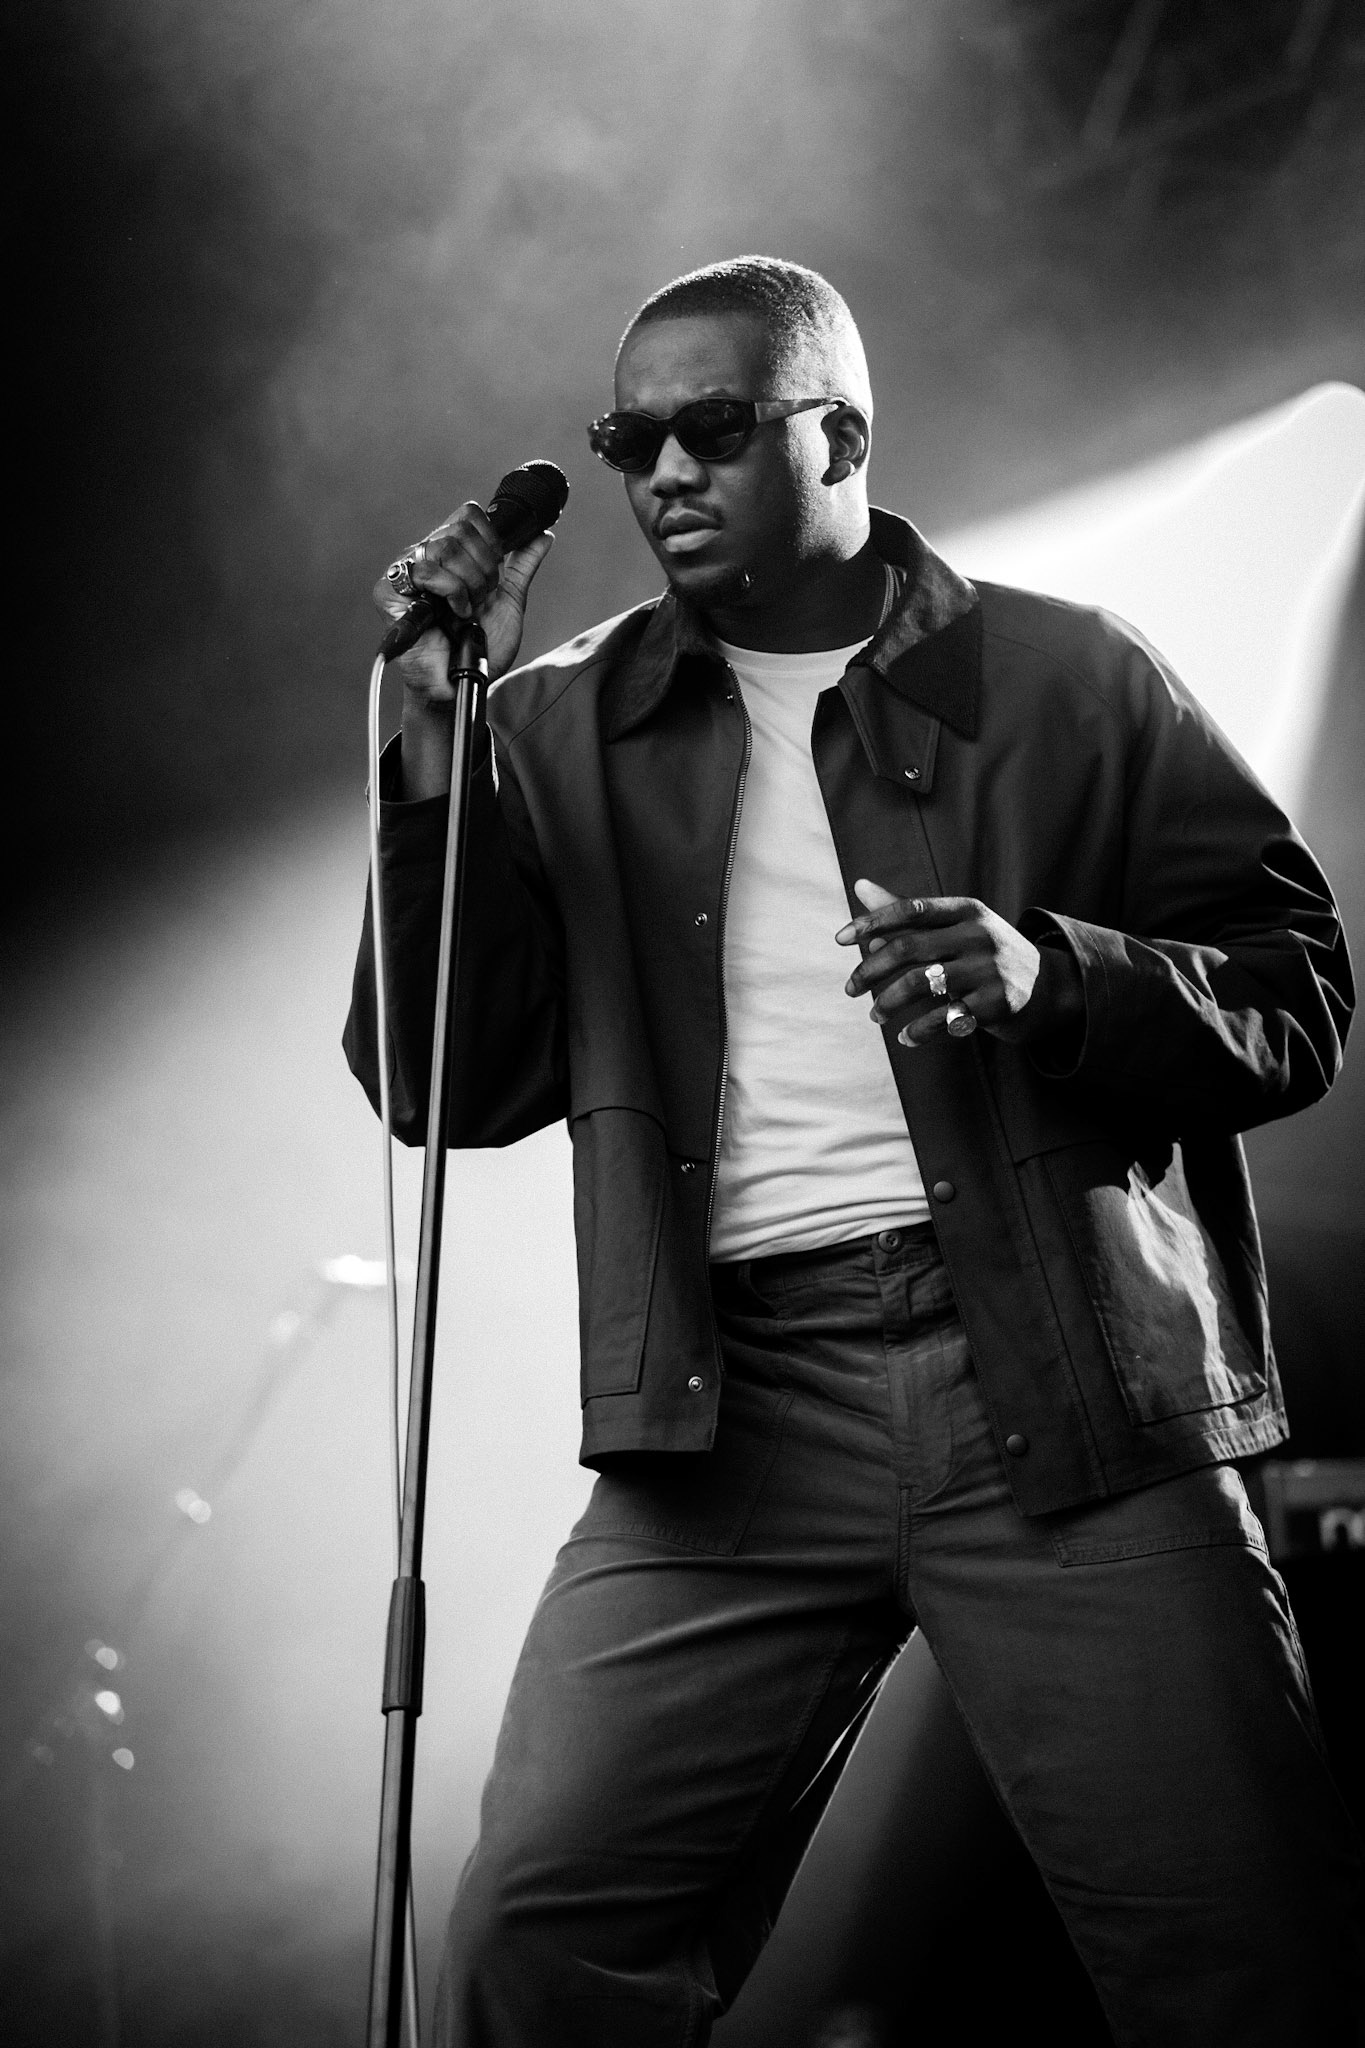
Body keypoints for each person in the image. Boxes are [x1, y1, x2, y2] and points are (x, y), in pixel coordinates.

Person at [346, 256, 1364, 2046]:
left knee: (1242, 1965)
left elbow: (1299, 993)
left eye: (712, 427)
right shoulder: (551, 723)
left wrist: (1057, 976)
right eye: (631, 441)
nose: (665, 471)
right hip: (724, 1412)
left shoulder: (1066, 674)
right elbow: (449, 1083)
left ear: (841, 434)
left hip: (1057, 1379)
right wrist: (434, 746)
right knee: (536, 1940)